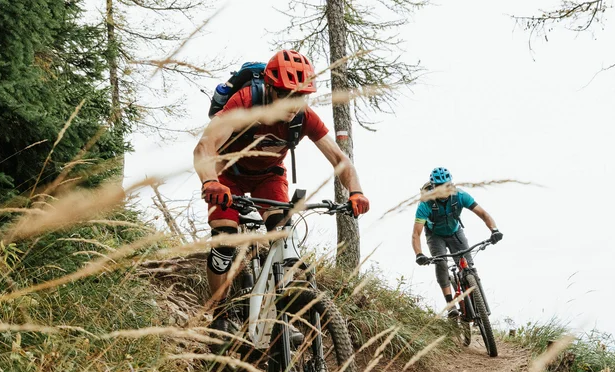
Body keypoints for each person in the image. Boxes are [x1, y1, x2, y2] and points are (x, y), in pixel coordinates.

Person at [193, 49, 370, 334]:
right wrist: (210, 182)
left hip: (269, 177)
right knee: (224, 242)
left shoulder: (305, 117)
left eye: (302, 95)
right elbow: (205, 146)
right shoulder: (245, 102)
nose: (295, 104)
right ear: (271, 89)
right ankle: (220, 311)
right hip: (227, 176)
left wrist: (356, 191)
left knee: (283, 237)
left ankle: (279, 315)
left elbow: (340, 159)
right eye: (287, 95)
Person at [411, 167, 502, 317]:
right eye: (439, 187)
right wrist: (419, 254)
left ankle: (476, 298)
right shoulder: (425, 204)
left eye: (446, 186)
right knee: (441, 263)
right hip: (435, 236)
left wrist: (494, 230)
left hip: (455, 232)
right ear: (433, 187)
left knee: (469, 266)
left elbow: (483, 213)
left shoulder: (460, 196)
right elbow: (416, 233)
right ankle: (450, 305)